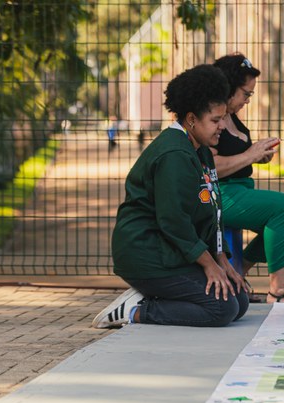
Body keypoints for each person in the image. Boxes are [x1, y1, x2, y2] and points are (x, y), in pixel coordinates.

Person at [92, 64, 249, 328]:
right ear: (190, 119)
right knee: (221, 309)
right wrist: (209, 265)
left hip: (172, 251)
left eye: (223, 118)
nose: (222, 125)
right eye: (215, 120)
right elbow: (173, 220)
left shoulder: (201, 151)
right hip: (147, 253)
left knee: (239, 299)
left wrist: (222, 258)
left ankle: (155, 294)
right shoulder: (174, 155)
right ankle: (136, 309)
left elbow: (212, 210)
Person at [211, 53, 284, 304]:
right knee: (282, 206)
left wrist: (257, 155)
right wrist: (249, 154)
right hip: (221, 193)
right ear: (229, 87)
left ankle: (236, 275)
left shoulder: (232, 116)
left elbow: (238, 155)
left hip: (240, 189)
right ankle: (280, 290)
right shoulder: (212, 118)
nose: (247, 100)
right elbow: (210, 166)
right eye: (246, 94)